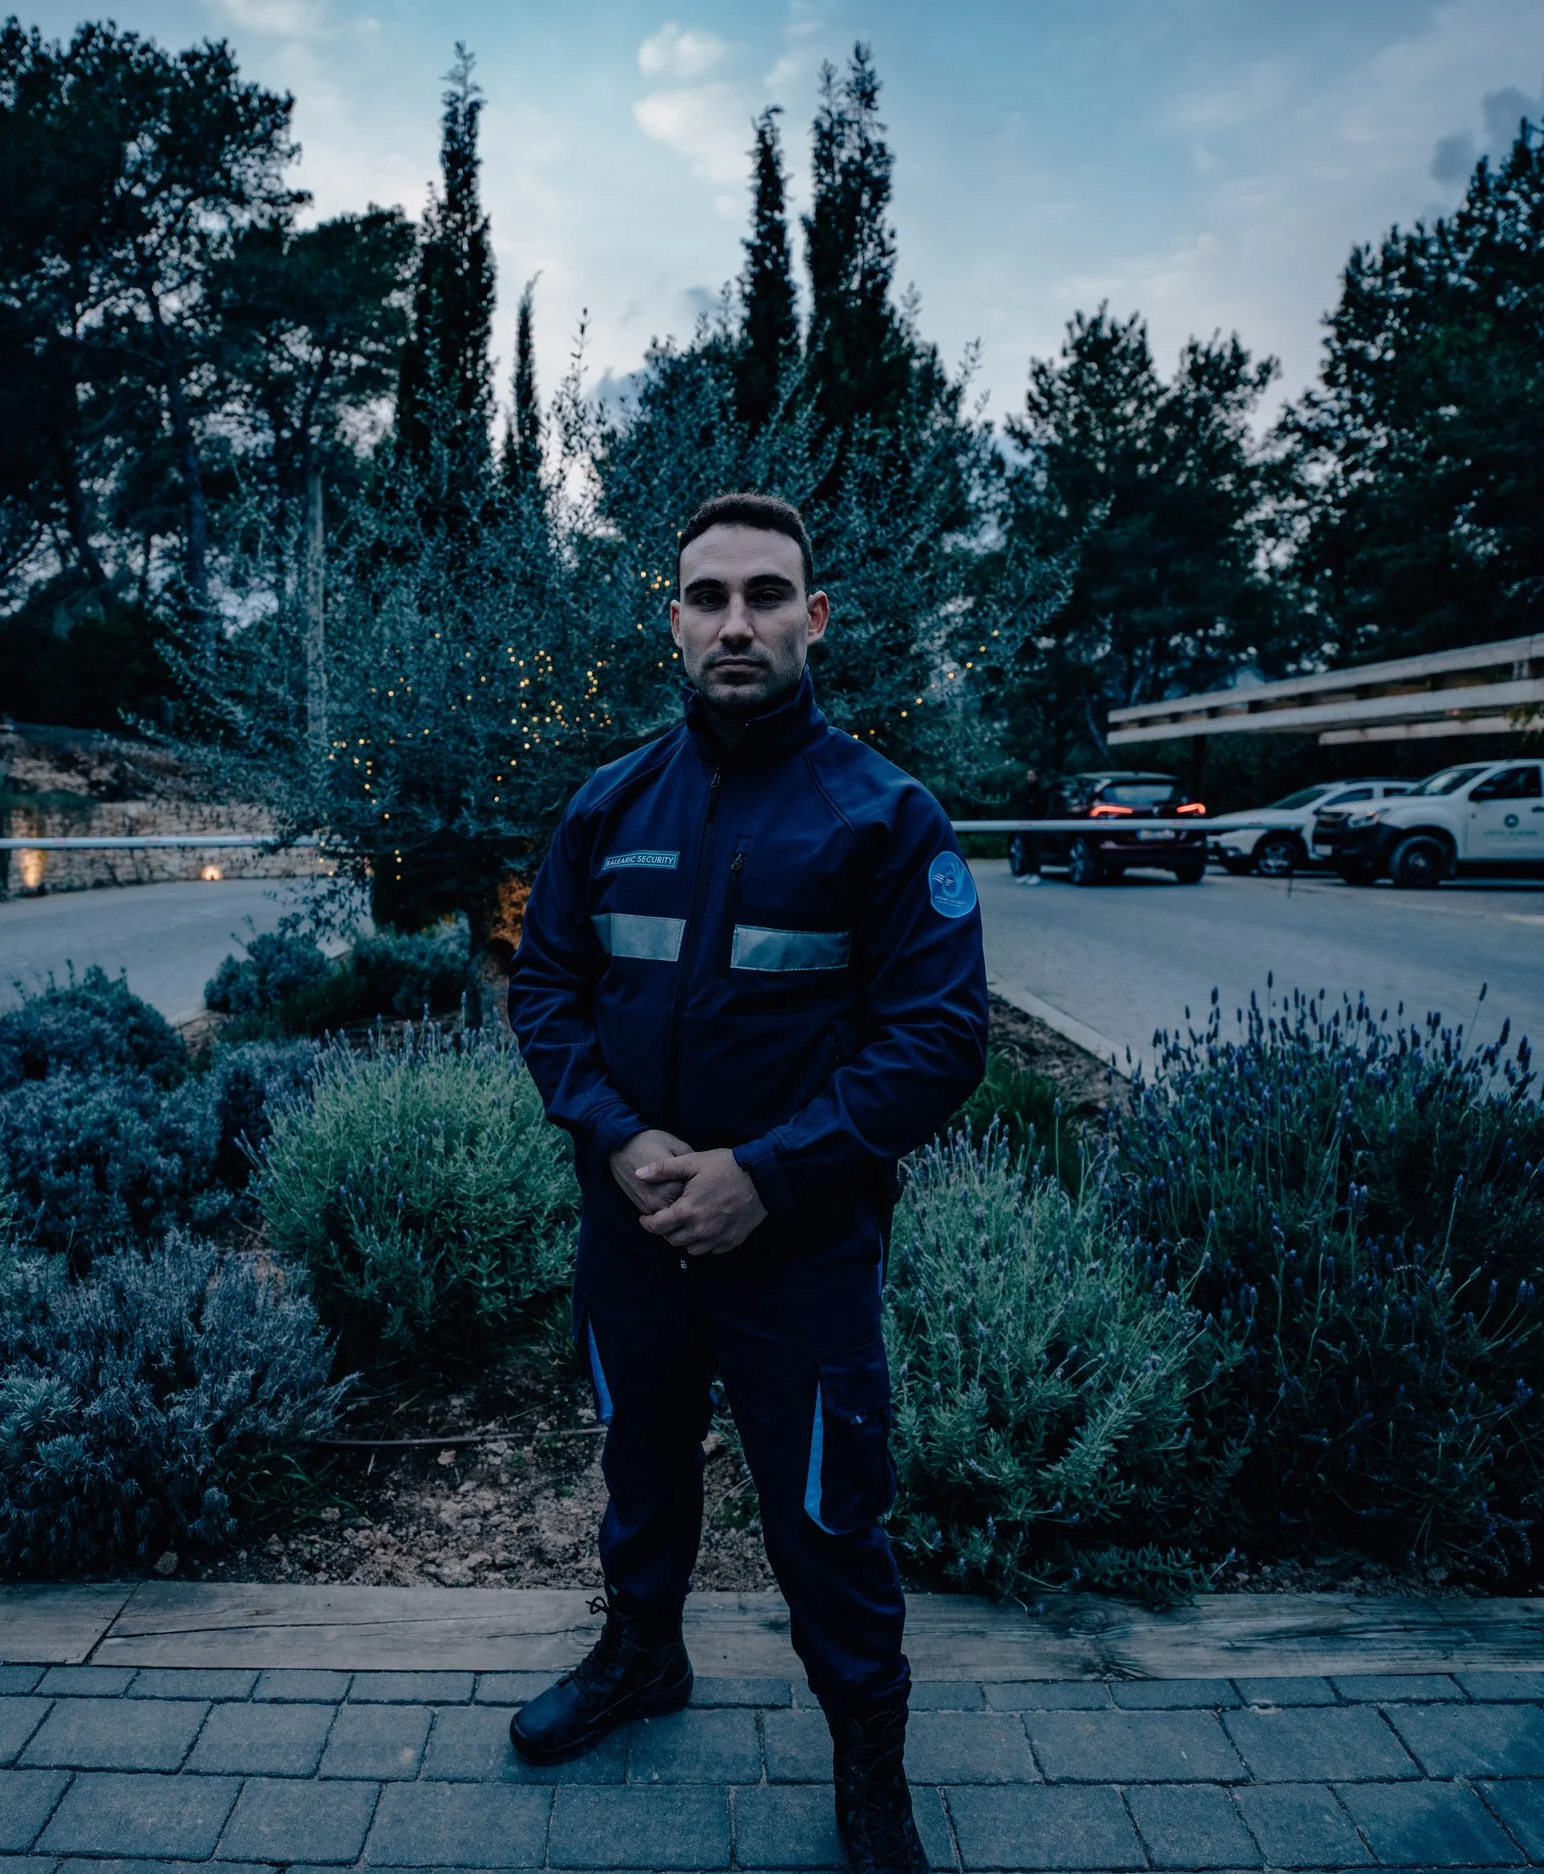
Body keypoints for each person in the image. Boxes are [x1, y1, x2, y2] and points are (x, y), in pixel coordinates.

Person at [505, 492, 987, 1874]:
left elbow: (939, 1038)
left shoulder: (884, 816)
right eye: (708, 597)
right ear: (672, 622)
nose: (736, 622)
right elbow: (546, 991)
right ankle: (642, 1658)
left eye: (765, 595)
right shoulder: (608, 805)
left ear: (812, 618)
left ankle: (871, 1771)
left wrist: (767, 1177)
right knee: (641, 1470)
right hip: (633, 1233)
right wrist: (616, 1134)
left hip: (802, 1254)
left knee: (829, 1518)